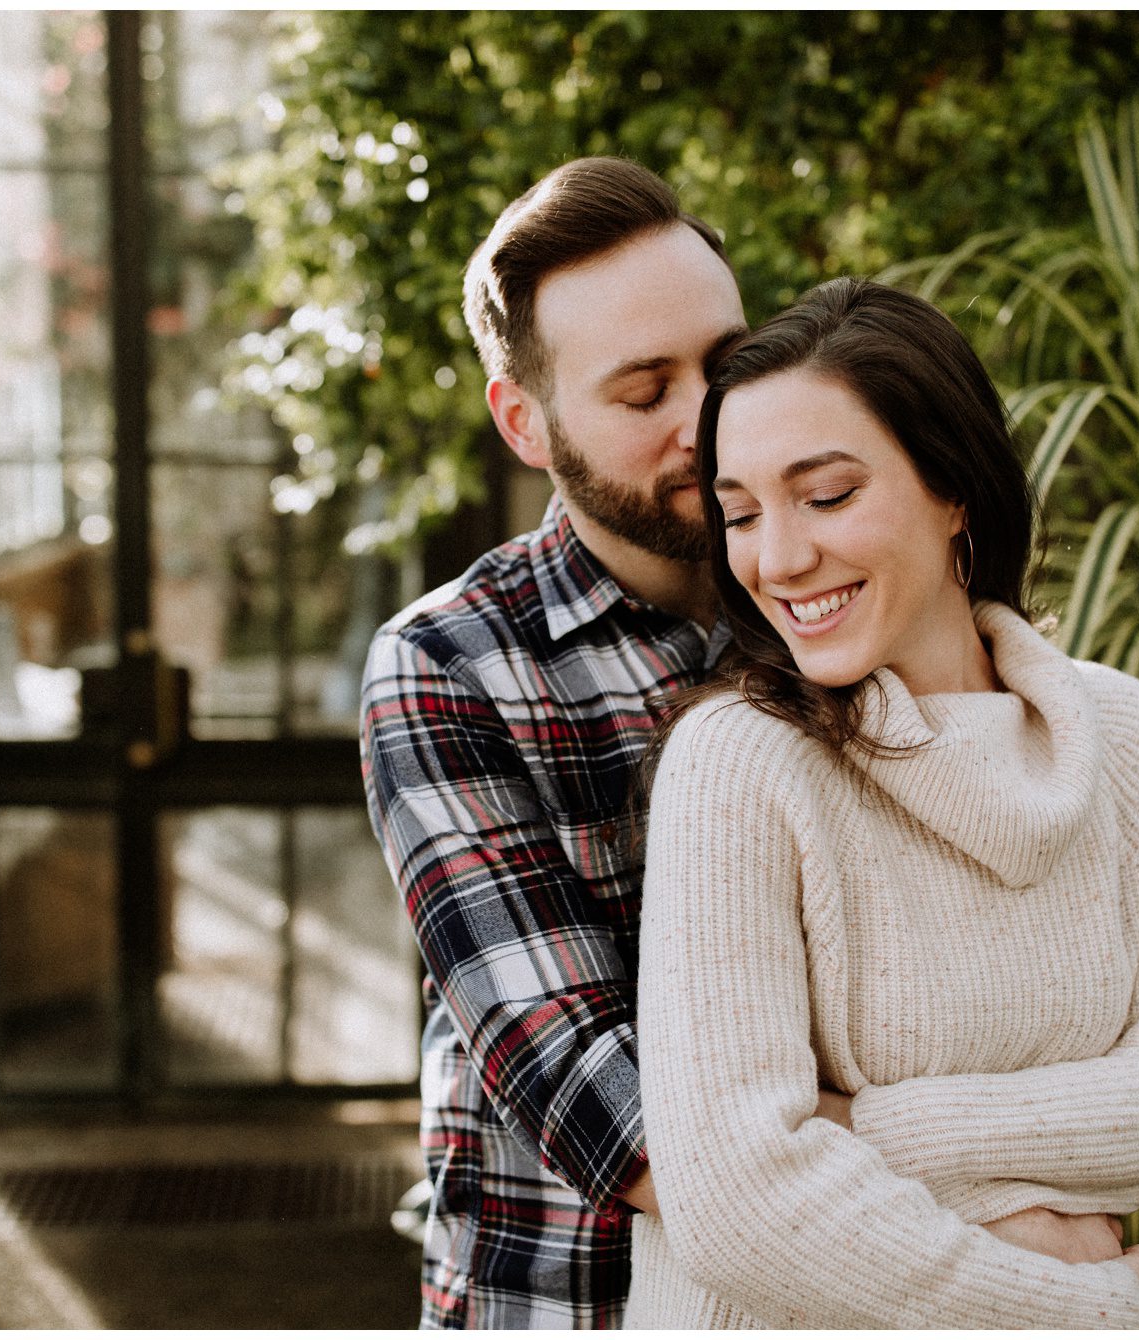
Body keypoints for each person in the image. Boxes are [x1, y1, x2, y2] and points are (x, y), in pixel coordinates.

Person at [625, 278, 1139, 1328]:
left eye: (824, 495)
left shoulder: (1124, 735)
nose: (777, 557)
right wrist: (1081, 1310)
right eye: (739, 512)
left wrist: (852, 1128)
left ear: (952, 487)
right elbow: (732, 1206)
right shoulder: (736, 763)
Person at [359, 156, 744, 1327]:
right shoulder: (448, 665)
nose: (707, 421)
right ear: (524, 421)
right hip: (572, 1308)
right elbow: (602, 1105)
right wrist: (984, 1218)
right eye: (644, 393)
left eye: (728, 366)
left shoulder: (830, 602)